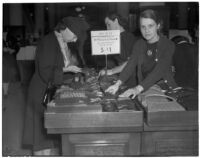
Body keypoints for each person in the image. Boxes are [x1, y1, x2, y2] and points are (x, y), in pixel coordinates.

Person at [22, 17, 86, 156]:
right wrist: (66, 70)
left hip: (49, 90)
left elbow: (58, 65)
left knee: (49, 138)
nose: (75, 40)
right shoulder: (48, 41)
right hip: (40, 93)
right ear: (66, 29)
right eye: (74, 36)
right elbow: (45, 71)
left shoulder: (61, 40)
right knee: (40, 141)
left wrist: (70, 71)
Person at [106, 9, 177, 99]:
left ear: (158, 26)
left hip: (165, 90)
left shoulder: (168, 44)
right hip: (146, 88)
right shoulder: (139, 44)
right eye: (143, 27)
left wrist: (137, 89)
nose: (146, 30)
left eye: (150, 26)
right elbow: (130, 65)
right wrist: (117, 84)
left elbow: (159, 71)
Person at [99, 12, 137, 87]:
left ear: (116, 21)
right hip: (120, 75)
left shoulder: (128, 37)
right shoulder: (115, 38)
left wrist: (111, 71)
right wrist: (106, 68)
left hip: (130, 77)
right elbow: (115, 61)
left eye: (108, 24)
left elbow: (130, 62)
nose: (107, 28)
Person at [2, 31, 16, 99]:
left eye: (5, 33)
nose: (4, 34)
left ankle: (5, 92)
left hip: (7, 60)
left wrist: (12, 50)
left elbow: (16, 47)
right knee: (5, 77)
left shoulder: (11, 38)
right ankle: (5, 92)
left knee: (6, 77)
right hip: (4, 60)